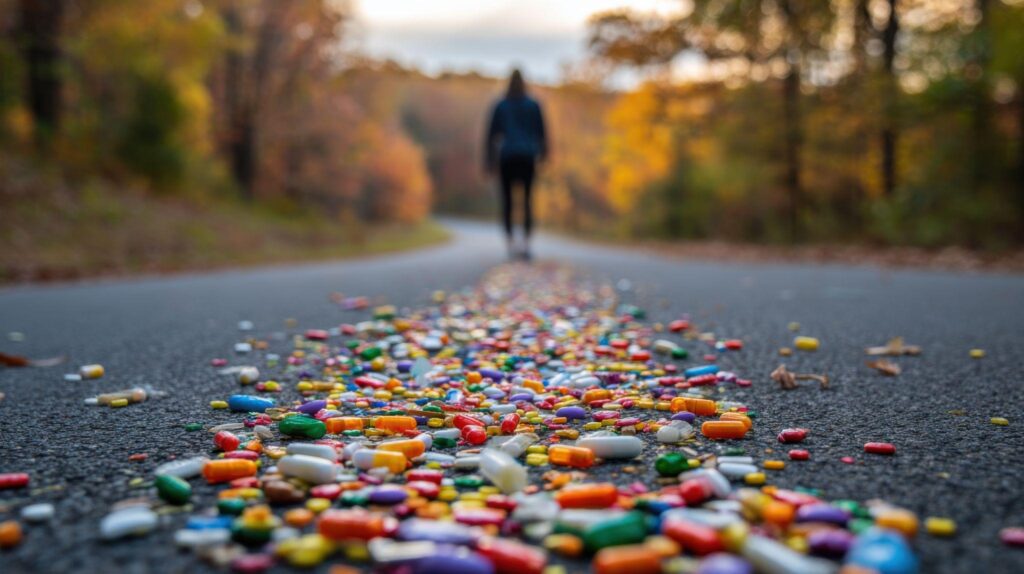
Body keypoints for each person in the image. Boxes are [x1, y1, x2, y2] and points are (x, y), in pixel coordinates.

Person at [484, 69, 548, 261]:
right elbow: (542, 133)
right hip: (528, 157)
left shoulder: (501, 105)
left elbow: (491, 135)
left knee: (508, 202)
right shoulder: (533, 104)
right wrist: (543, 155)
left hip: (508, 157)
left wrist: (489, 161)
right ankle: (526, 244)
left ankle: (511, 243)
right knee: (528, 200)